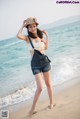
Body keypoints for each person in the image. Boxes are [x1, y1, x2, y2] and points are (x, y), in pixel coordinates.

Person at [17, 17, 55, 116]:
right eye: (30, 27)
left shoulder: (40, 36)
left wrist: (47, 37)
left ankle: (51, 103)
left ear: (36, 26)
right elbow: (18, 35)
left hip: (45, 62)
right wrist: (22, 25)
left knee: (49, 84)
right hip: (35, 65)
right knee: (40, 87)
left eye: (34, 26)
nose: (33, 28)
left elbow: (46, 48)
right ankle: (32, 109)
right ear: (28, 28)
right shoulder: (27, 38)